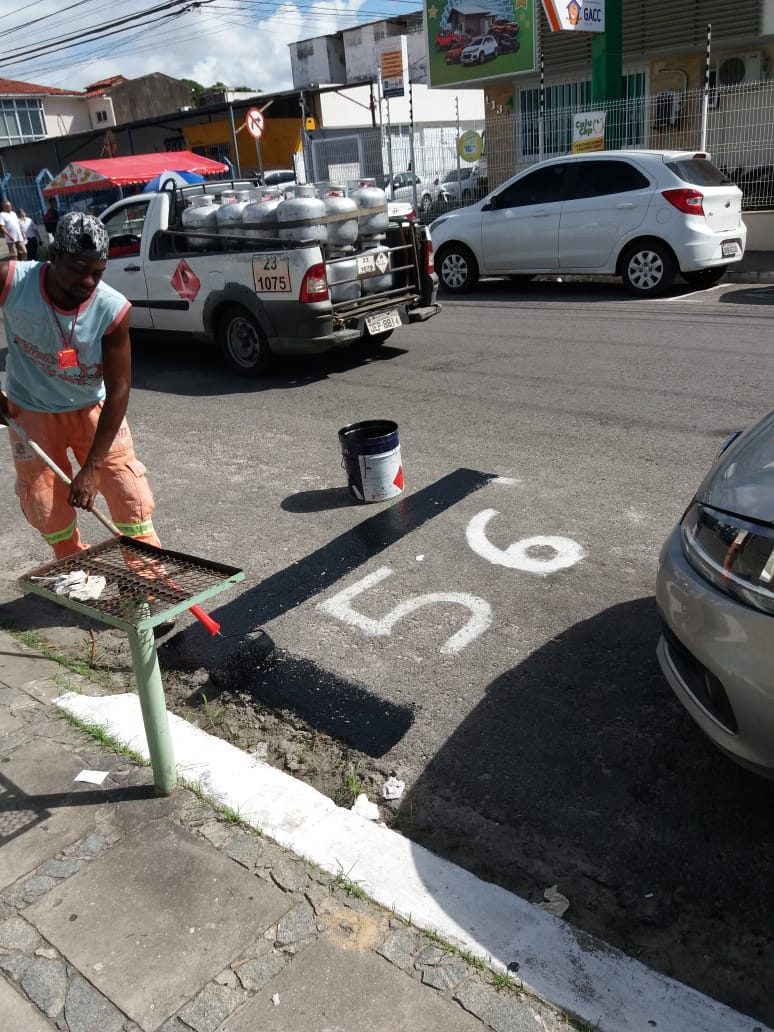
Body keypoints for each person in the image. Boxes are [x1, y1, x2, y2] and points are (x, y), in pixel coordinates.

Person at [0, 211, 161, 559]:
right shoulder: (11, 282)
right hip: (30, 410)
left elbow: (119, 387)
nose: (88, 281)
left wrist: (93, 467)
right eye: (78, 269)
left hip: (92, 407)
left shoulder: (112, 309)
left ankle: (148, 577)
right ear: (54, 255)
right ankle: (73, 568)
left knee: (128, 493)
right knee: (44, 501)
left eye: (97, 272)